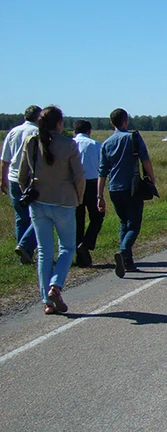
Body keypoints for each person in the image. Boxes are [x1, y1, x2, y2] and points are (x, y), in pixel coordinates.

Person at [19, 106, 85, 315]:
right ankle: (55, 286)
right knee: (66, 248)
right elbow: (80, 176)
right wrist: (79, 197)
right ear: (59, 124)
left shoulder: (31, 142)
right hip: (64, 202)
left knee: (44, 252)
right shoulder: (68, 145)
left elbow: (22, 175)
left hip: (38, 203)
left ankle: (47, 301)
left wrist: (27, 192)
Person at [98, 108, 156, 277]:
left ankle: (128, 262)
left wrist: (99, 196)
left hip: (114, 188)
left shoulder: (106, 143)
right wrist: (152, 179)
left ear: (111, 123)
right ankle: (124, 251)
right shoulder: (133, 138)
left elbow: (102, 172)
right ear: (126, 121)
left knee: (124, 222)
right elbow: (145, 160)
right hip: (132, 187)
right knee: (134, 224)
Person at [2, 105, 42, 264]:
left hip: (13, 177)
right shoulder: (37, 133)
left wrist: (2, 179)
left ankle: (23, 253)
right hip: (32, 180)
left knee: (21, 217)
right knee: (39, 215)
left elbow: (5, 159)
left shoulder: (13, 132)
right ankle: (26, 246)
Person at [73, 119, 103, 268]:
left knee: (78, 219)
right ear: (89, 131)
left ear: (74, 131)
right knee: (97, 216)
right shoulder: (95, 145)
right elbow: (101, 167)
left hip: (73, 185)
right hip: (91, 184)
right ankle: (86, 244)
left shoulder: (70, 144)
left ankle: (80, 254)